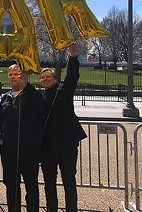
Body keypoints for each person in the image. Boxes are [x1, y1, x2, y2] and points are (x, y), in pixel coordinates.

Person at [39, 43, 88, 212]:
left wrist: (73, 56)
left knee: (69, 181)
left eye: (48, 77)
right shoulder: (39, 97)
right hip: (47, 148)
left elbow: (73, 76)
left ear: (55, 79)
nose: (45, 80)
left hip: (66, 145)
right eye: (43, 78)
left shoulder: (64, 92)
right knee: (49, 184)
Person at [0, 64, 45, 212]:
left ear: (23, 76)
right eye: (10, 75)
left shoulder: (32, 95)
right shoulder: (5, 97)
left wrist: (27, 85)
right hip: (9, 150)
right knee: (11, 185)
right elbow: (0, 120)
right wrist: (0, 137)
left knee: (31, 185)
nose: (13, 77)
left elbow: (42, 113)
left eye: (16, 74)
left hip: (28, 150)